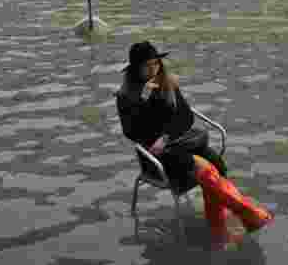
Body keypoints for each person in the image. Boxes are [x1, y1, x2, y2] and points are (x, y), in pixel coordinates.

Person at [116, 42, 273, 247]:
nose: (153, 69)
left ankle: (219, 224)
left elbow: (185, 118)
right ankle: (244, 216)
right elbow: (132, 131)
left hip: (178, 142)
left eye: (156, 63)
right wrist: (142, 100)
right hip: (154, 155)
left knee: (217, 165)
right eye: (147, 65)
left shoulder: (167, 83)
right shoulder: (126, 96)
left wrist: (166, 136)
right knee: (206, 171)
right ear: (135, 69)